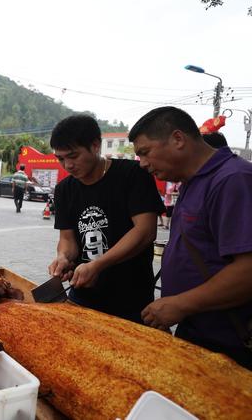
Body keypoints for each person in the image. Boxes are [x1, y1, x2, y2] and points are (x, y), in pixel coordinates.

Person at [130, 106, 252, 369]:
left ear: (178, 139)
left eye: (144, 152)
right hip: (196, 331)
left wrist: (181, 304)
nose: (142, 164)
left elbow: (247, 270)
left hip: (230, 343)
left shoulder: (232, 180)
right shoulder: (190, 181)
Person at [48, 114, 164, 323]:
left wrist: (98, 265)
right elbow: (67, 238)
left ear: (95, 146)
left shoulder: (132, 175)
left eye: (73, 156)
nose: (68, 165)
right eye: (61, 159)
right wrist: (64, 258)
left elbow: (145, 231)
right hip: (82, 295)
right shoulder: (64, 190)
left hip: (130, 299)